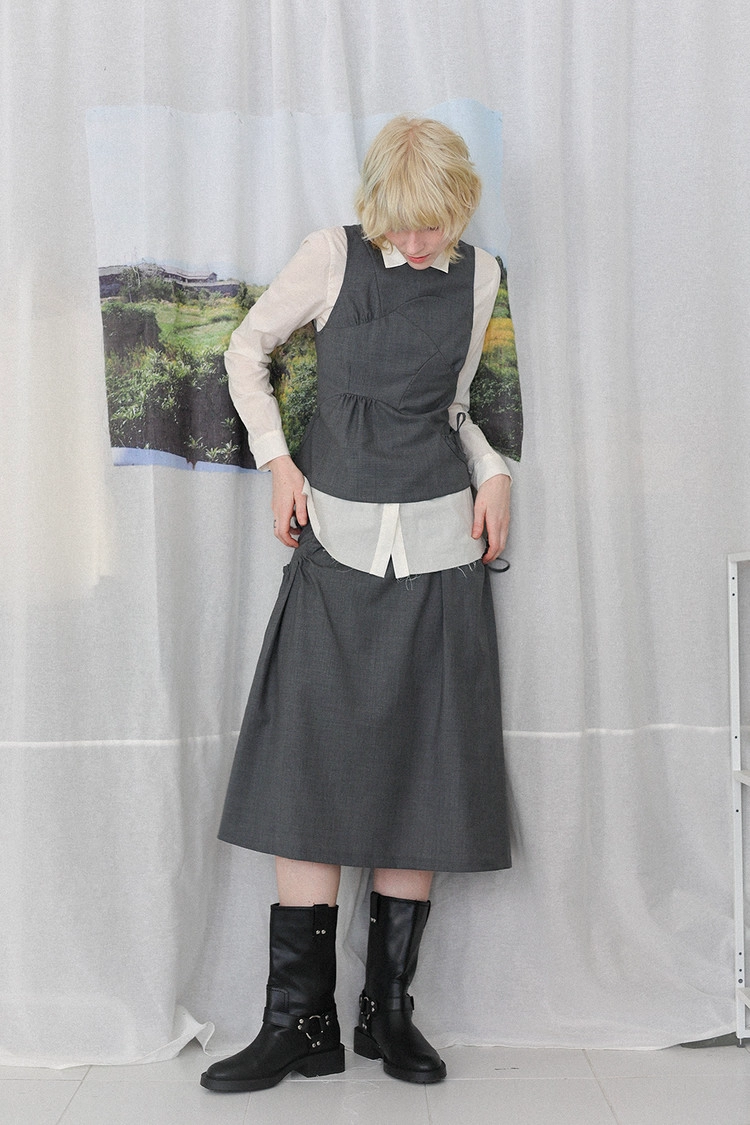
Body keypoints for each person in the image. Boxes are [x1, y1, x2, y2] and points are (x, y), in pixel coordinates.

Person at [200, 116, 512, 1094]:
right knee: (308, 769)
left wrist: (494, 474)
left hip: (440, 550)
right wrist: (278, 462)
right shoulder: (330, 258)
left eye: (436, 225)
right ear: (376, 206)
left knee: (422, 771)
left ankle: (387, 1014)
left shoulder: (483, 276)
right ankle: (299, 1023)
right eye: (404, 224)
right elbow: (246, 351)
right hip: (335, 547)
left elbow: (457, 409)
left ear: (461, 208)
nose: (419, 243)